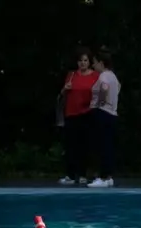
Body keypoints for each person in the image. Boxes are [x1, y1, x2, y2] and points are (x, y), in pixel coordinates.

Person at [57, 48, 98, 186]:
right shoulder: (72, 75)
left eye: (85, 60)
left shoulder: (95, 76)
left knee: (84, 145)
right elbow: (62, 93)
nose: (83, 63)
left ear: (89, 62)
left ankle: (82, 174)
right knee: (70, 146)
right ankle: (69, 174)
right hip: (71, 113)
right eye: (80, 60)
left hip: (86, 113)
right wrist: (65, 89)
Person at [86, 49, 121, 188]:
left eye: (94, 63)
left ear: (101, 63)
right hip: (112, 113)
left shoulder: (103, 76)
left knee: (101, 145)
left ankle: (102, 176)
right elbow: (118, 87)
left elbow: (105, 88)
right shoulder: (113, 76)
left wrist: (101, 101)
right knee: (108, 145)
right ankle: (108, 176)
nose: (93, 66)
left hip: (103, 112)